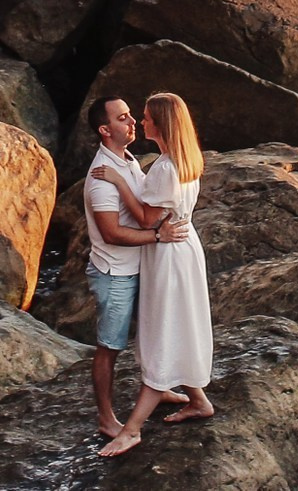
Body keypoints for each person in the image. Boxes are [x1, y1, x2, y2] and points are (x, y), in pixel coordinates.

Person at [93, 92, 214, 455]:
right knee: (179, 321)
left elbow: (148, 219)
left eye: (144, 117)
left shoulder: (164, 167)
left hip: (169, 253)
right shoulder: (185, 158)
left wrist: (117, 182)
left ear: (160, 124)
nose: (139, 122)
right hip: (185, 244)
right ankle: (197, 399)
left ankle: (131, 429)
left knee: (163, 327)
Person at [82, 97, 189, 439]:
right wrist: (157, 236)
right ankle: (106, 418)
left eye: (132, 116)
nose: (132, 122)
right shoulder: (101, 179)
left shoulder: (127, 161)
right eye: (123, 118)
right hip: (116, 273)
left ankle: (162, 385)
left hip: (140, 264)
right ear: (105, 129)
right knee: (110, 346)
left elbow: (145, 203)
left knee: (154, 329)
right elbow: (111, 233)